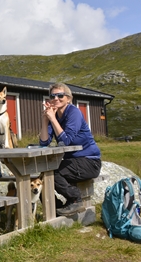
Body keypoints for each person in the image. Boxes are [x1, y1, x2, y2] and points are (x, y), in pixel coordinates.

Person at [39, 83, 102, 216]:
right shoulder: (53, 115)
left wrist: (53, 119)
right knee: (43, 176)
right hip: (73, 162)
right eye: (52, 96)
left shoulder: (74, 113)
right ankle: (56, 209)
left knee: (54, 173)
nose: (56, 99)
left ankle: (75, 200)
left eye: (60, 95)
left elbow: (65, 141)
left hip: (90, 162)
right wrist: (46, 120)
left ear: (68, 98)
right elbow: (44, 142)